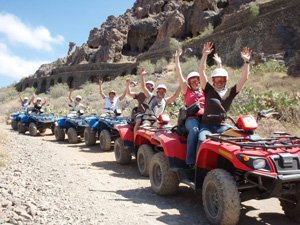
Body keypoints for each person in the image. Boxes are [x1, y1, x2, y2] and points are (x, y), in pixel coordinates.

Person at [197, 41, 252, 149]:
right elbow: (202, 71)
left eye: (222, 80)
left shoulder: (230, 92)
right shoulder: (208, 89)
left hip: (222, 126)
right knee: (202, 139)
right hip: (206, 126)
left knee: (241, 138)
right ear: (213, 80)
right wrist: (204, 55)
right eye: (217, 80)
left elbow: (244, 78)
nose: (220, 82)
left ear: (226, 80)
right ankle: (196, 165)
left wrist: (246, 62)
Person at [175, 48, 206, 166]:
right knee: (194, 130)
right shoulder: (186, 90)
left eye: (197, 80)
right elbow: (179, 74)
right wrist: (177, 58)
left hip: (205, 118)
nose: (195, 82)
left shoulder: (204, 91)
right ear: (189, 82)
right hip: (191, 119)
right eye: (192, 81)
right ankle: (191, 161)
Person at [133, 68, 181, 140]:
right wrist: (142, 76)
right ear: (157, 92)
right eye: (160, 91)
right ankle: (135, 141)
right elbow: (143, 87)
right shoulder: (151, 97)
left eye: (163, 91)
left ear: (165, 92)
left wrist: (181, 85)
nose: (161, 92)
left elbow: (175, 96)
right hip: (147, 119)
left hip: (158, 121)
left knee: (169, 130)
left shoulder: (165, 101)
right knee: (145, 129)